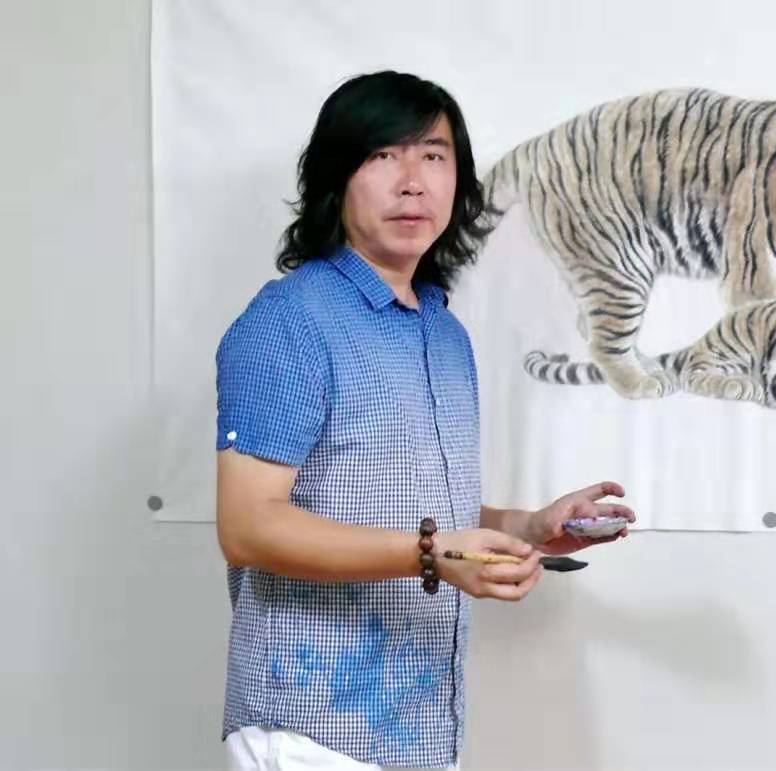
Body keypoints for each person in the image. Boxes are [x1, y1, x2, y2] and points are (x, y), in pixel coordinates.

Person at [214, 70, 635, 770]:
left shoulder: (443, 333)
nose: (412, 182)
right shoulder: (289, 321)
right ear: (336, 177)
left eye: (433, 156)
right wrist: (432, 554)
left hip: (422, 731)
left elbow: (408, 508)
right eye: (384, 155)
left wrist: (528, 526)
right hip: (309, 729)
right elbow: (247, 526)